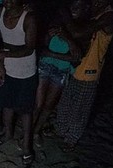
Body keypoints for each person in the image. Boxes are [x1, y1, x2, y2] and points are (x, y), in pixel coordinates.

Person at [54, 0, 113, 152]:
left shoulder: (109, 16)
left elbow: (77, 32)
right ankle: (60, 130)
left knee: (80, 109)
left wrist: (64, 13)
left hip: (90, 70)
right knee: (65, 102)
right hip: (75, 65)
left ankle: (72, 139)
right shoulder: (90, 9)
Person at [0, 0, 38, 165]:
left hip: (26, 71)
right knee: (7, 104)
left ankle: (27, 146)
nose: (6, 1)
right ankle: (8, 134)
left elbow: (29, 49)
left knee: (25, 110)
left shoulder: (29, 18)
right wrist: (1, 66)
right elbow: (3, 44)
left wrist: (2, 56)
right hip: (8, 68)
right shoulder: (1, 11)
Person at [32, 0, 89, 147]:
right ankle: (29, 133)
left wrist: (66, 39)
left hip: (62, 70)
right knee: (38, 104)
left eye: (78, 7)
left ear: (85, 9)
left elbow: (77, 57)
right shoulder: (57, 21)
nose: (74, 9)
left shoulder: (83, 30)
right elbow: (43, 46)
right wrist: (49, 37)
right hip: (45, 66)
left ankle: (36, 132)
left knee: (48, 106)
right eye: (72, 6)